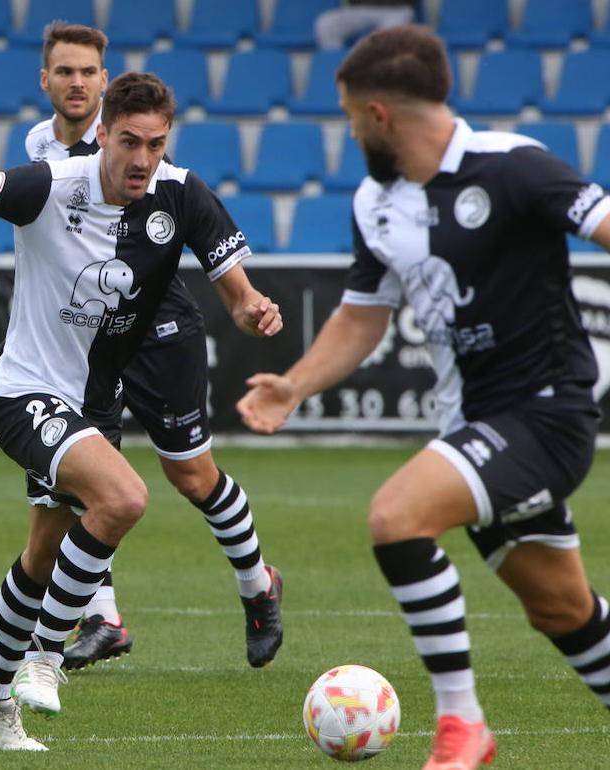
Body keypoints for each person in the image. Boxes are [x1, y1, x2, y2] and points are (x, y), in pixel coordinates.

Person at [0, 72, 282, 751]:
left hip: (90, 403)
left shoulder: (183, 193)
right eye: (129, 142)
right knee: (124, 498)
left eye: (156, 144)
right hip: (23, 393)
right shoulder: (47, 185)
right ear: (103, 135)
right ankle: (44, 658)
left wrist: (253, 309)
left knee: (44, 552)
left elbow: (235, 293)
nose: (142, 159)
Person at [237, 25, 610, 770]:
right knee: (563, 610)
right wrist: (294, 386)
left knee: (397, 517)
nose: (347, 135)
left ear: (378, 115)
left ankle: (461, 726)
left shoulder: (515, 168)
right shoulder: (378, 201)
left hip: (548, 413)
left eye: (347, 119)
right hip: (472, 424)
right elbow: (362, 316)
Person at [20, 21, 284, 679]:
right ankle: (101, 618)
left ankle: (258, 583)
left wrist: (252, 308)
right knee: (77, 487)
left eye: (88, 72)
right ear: (45, 80)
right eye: (65, 71)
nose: (76, 83)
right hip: (81, 343)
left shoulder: (155, 167)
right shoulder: (36, 149)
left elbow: (233, 285)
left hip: (159, 333)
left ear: (104, 87)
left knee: (190, 476)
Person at [314, 1, 417, 51]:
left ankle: (376, 72)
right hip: (359, 8)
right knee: (327, 24)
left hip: (397, 8)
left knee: (389, 33)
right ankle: (337, 67)